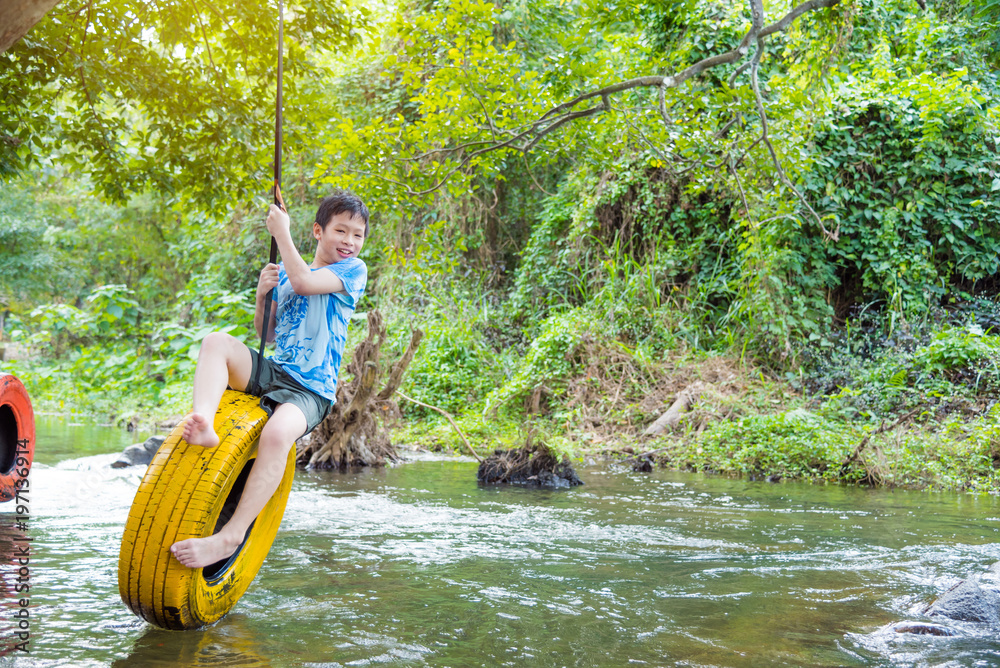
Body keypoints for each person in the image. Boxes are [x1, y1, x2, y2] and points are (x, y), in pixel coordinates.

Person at [170, 190, 369, 568]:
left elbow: (308, 282)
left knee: (277, 434)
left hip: (311, 390)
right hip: (278, 371)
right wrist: (264, 297)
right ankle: (204, 422)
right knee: (216, 343)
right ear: (318, 231)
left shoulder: (351, 271)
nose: (349, 242)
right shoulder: (289, 276)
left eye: (357, 235)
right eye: (341, 231)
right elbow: (269, 333)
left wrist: (281, 233)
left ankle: (231, 536)